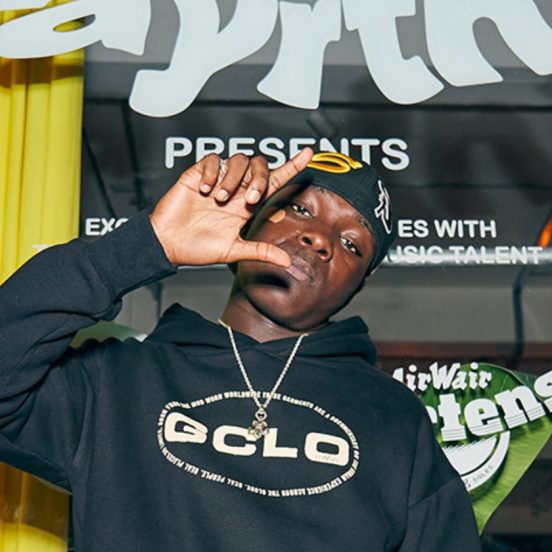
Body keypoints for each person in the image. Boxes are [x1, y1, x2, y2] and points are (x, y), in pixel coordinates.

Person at [0, 149, 482, 551]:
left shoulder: (393, 417)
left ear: (356, 287)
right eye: (301, 209)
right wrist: (147, 245)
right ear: (250, 222)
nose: (320, 238)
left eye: (353, 245)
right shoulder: (117, 380)